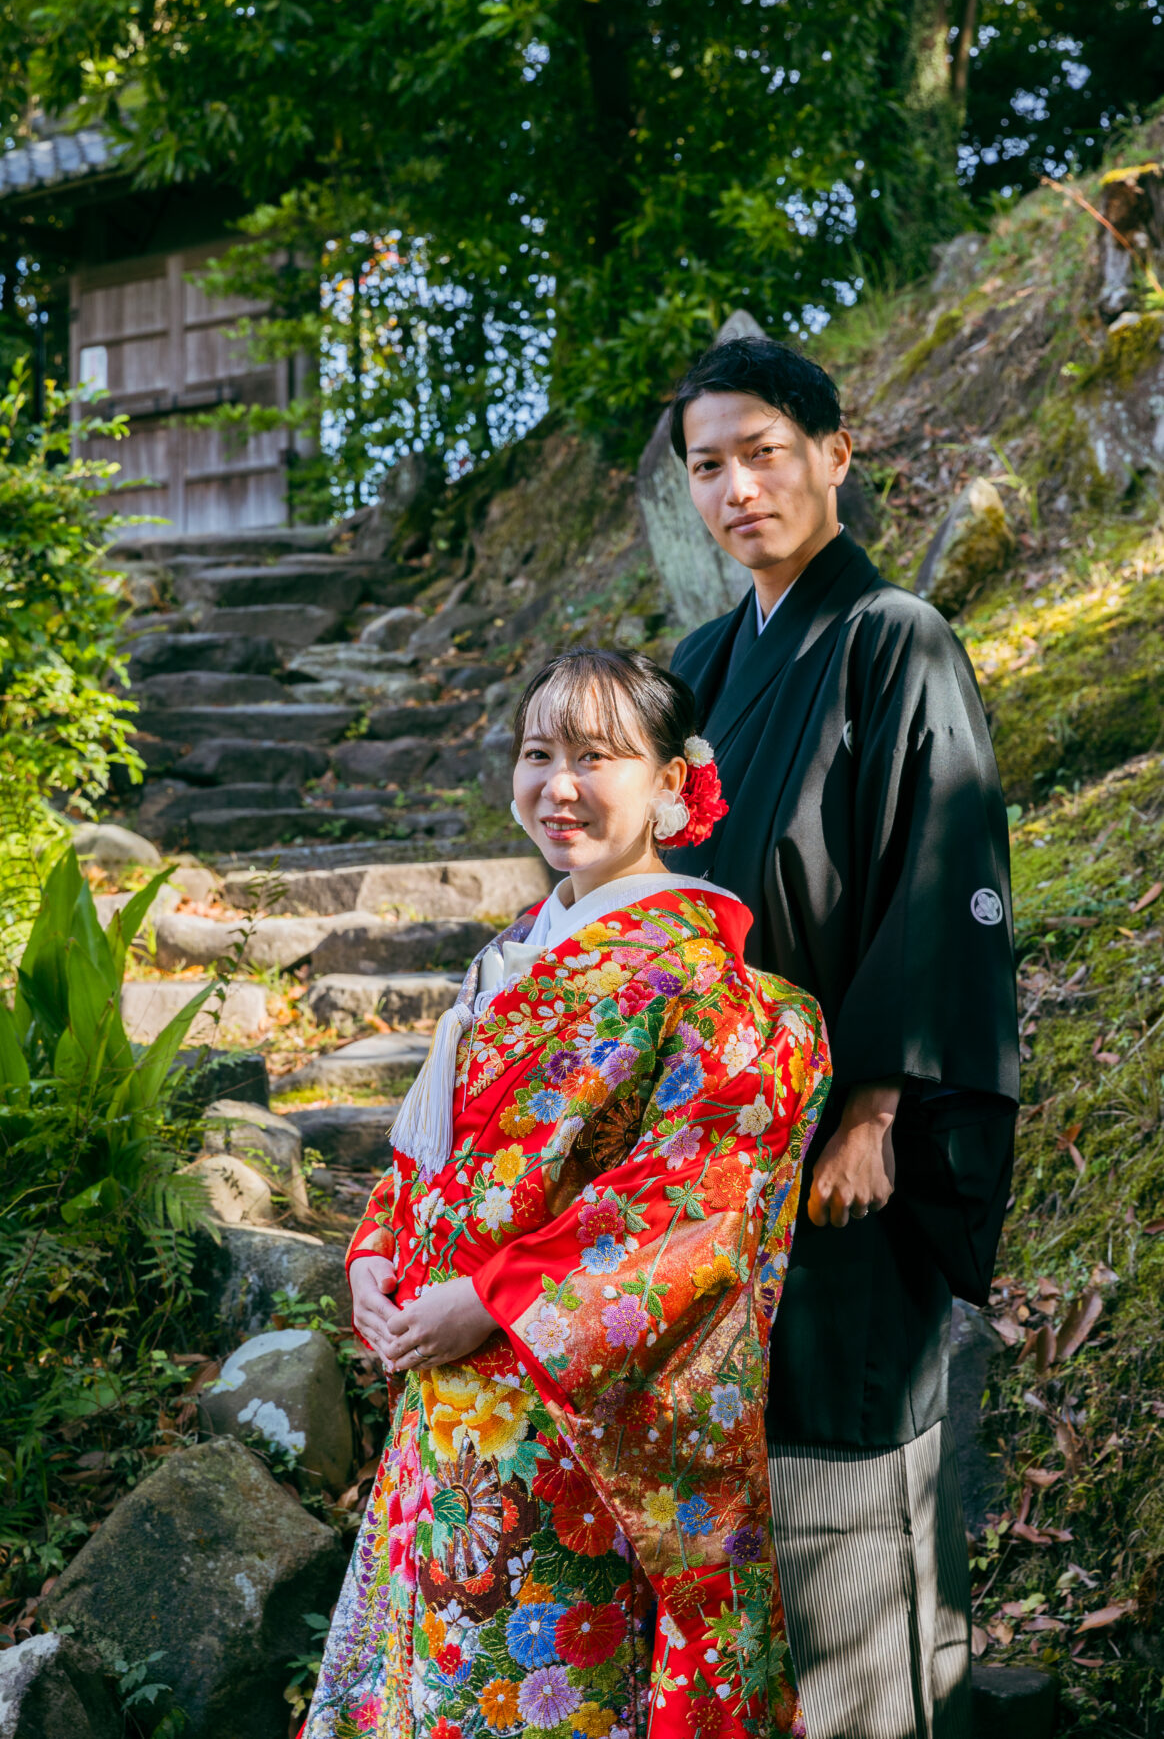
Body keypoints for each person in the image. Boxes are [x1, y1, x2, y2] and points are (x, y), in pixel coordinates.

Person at [303, 647, 831, 1739]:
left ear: (673, 783)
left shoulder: (715, 990)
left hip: (568, 1429)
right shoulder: (514, 954)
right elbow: (433, 1156)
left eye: (596, 757)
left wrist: (491, 1301)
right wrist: (375, 1255)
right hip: (441, 1410)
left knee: (535, 1698)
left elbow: (692, 1211)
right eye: (538, 754)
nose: (560, 786)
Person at [667, 335, 1020, 1739]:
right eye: (709, 466)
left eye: (764, 453)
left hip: (839, 1146)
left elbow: (943, 872)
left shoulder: (895, 637)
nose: (739, 489)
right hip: (715, 1147)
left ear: (834, 453)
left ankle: (883, 1709)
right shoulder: (702, 663)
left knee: (846, 1450)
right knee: (740, 1460)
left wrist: (875, 1102)